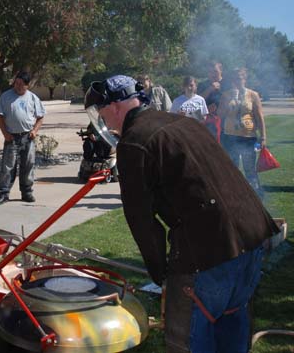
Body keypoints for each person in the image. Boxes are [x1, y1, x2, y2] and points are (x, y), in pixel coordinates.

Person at [84, 74, 278, 353]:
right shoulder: (182, 122)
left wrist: (161, 272)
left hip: (208, 253)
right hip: (253, 239)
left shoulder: (134, 141)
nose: (106, 122)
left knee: (187, 341)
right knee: (232, 330)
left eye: (103, 114)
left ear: (114, 107)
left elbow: (141, 218)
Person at [0, 71, 45, 204]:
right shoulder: (6, 96)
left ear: (27, 85)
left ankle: (26, 192)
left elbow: (40, 117)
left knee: (28, 165)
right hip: (11, 137)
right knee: (8, 166)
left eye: (21, 84)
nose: (17, 86)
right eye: (16, 83)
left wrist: (35, 130)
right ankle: (3, 193)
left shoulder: (33, 98)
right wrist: (5, 133)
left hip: (27, 137)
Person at [218, 68, 266, 195]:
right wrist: (229, 104)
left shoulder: (253, 95)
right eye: (234, 79)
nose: (236, 81)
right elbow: (220, 114)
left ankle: (255, 195)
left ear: (245, 79)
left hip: (248, 137)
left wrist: (263, 137)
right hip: (230, 136)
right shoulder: (226, 95)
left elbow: (259, 116)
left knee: (249, 168)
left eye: (239, 78)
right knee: (232, 168)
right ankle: (234, 194)